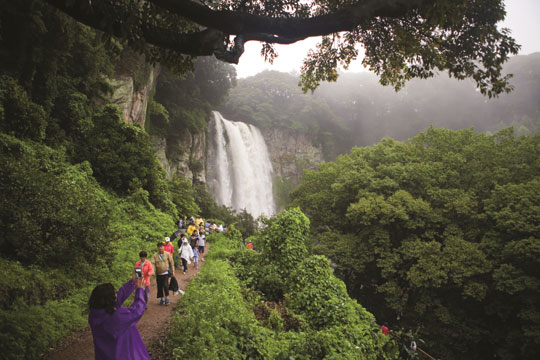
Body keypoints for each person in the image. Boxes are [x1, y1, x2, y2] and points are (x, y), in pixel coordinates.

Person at [88, 273, 149, 359]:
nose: (116, 294)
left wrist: (132, 282)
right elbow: (137, 311)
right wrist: (140, 290)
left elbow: (118, 296)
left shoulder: (95, 314)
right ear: (110, 300)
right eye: (114, 293)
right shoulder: (116, 317)